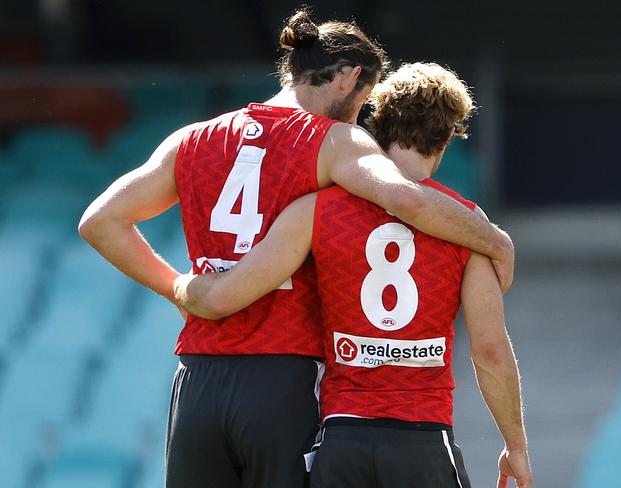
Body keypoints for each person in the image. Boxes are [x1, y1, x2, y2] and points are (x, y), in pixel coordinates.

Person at [79, 8, 515, 488]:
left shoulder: (193, 138)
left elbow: (100, 221)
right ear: (349, 78)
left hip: (197, 379)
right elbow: (406, 198)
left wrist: (177, 288)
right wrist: (494, 240)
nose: (359, 116)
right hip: (282, 377)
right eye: (362, 101)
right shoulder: (333, 141)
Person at [174, 62, 531, 488]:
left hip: (341, 441)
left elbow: (235, 291)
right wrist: (516, 446)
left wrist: (184, 288)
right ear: (449, 136)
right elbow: (489, 351)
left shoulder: (315, 210)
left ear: (375, 123)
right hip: (423, 437)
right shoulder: (470, 228)